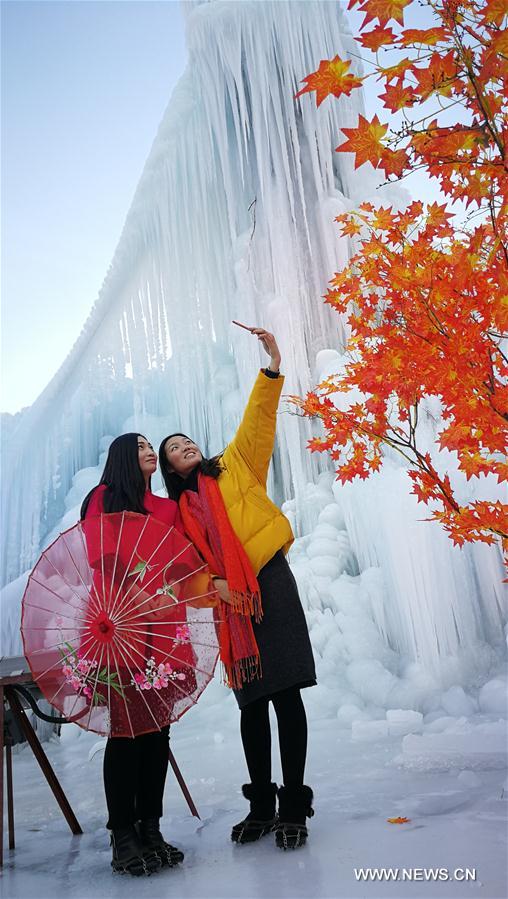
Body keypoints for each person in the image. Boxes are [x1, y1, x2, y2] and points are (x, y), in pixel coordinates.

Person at [159, 329, 316, 851]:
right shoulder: (179, 516)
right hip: (231, 607)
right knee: (252, 706)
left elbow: (257, 422)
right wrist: (216, 586)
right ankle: (262, 806)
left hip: (270, 581)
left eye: (188, 442)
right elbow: (184, 576)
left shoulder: (235, 466)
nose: (188, 448)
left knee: (287, 697)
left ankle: (294, 803)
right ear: (171, 470)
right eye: (177, 451)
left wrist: (272, 366)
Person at [80, 433, 192, 876]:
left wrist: (170, 588)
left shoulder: (167, 508)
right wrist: (139, 592)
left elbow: (184, 562)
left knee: (157, 734)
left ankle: (151, 828)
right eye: (141, 445)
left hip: (164, 629)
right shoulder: (103, 497)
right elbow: (99, 557)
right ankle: (122, 834)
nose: (149, 451)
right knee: (125, 735)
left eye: (152, 446)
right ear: (123, 456)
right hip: (119, 626)